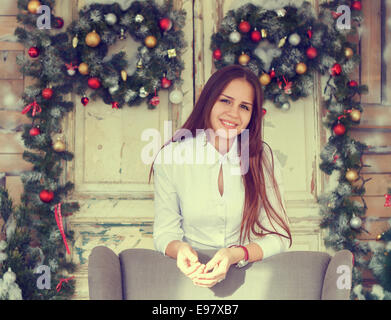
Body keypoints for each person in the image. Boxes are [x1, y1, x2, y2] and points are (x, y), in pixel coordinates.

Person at [149, 64, 292, 288]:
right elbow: (164, 232)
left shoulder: (263, 159)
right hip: (189, 281)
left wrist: (236, 254)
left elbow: (280, 236)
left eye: (244, 106)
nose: (233, 114)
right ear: (209, 100)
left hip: (250, 282)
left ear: (252, 114)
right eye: (225, 101)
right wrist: (180, 250)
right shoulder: (172, 157)